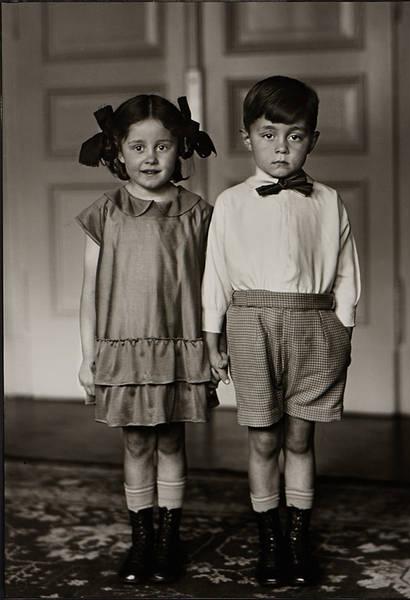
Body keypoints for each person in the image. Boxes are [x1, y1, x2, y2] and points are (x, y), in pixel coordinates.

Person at [202, 75, 360, 587]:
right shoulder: (230, 203)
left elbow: (346, 271)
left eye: (295, 135)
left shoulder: (329, 200)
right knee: (263, 437)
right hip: (251, 322)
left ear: (313, 139)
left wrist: (344, 325)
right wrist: (212, 333)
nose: (281, 147)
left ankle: (298, 538)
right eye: (269, 134)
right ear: (247, 137)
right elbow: (217, 273)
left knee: (300, 435)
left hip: (315, 321)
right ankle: (270, 541)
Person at [76, 94, 217, 585]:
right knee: (137, 444)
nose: (151, 157)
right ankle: (141, 539)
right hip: (123, 348)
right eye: (138, 147)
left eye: (163, 146)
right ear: (118, 151)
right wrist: (86, 355)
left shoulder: (199, 213)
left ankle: (168, 540)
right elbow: (89, 292)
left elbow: (213, 287)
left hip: (179, 345)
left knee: (173, 440)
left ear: (182, 149)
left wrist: (214, 345)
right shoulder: (106, 212)